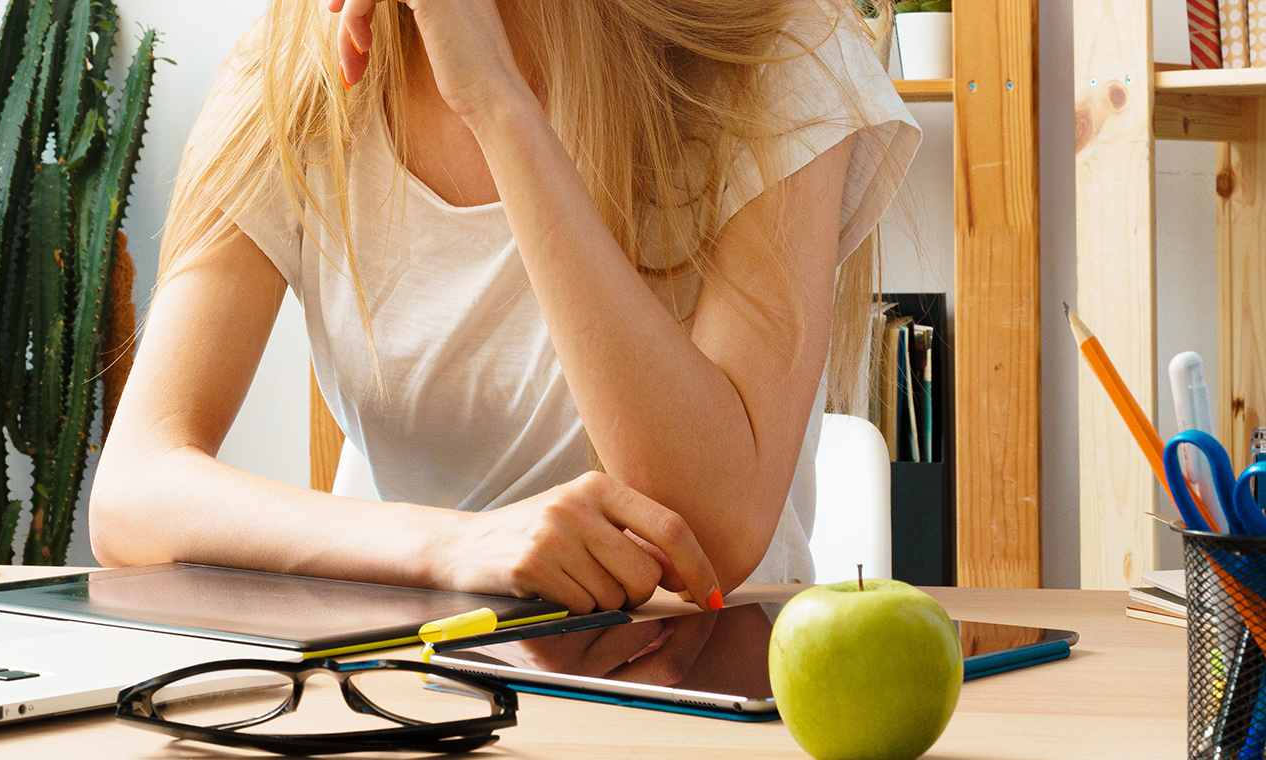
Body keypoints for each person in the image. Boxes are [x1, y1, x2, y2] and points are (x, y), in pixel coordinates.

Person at [91, 0, 918, 615]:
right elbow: (135, 492)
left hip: (684, 678)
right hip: (407, 671)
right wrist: (453, 545)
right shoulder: (295, 69)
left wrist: (495, 102)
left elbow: (710, 532)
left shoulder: (775, 45)